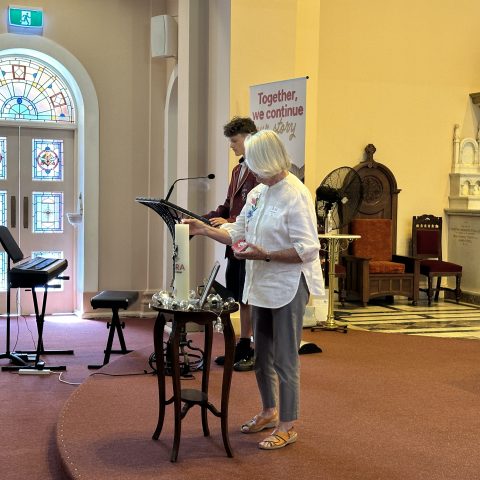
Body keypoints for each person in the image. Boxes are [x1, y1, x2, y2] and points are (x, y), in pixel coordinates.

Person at [184, 130, 324, 450]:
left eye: (254, 164)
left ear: (269, 161)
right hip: (260, 282)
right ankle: (269, 411)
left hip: (289, 284)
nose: (250, 171)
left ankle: (288, 425)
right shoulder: (258, 192)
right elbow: (237, 232)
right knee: (261, 356)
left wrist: (266, 254)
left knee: (284, 358)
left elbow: (307, 250)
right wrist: (203, 229)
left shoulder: (296, 194)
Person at [203, 116, 258, 372]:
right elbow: (227, 206)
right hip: (233, 244)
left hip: (251, 243)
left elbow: (256, 211)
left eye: (234, 141)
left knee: (251, 296)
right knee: (239, 296)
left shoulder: (261, 171)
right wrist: (202, 219)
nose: (231, 146)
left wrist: (230, 221)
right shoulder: (238, 171)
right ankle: (243, 343)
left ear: (249, 138)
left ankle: (253, 347)